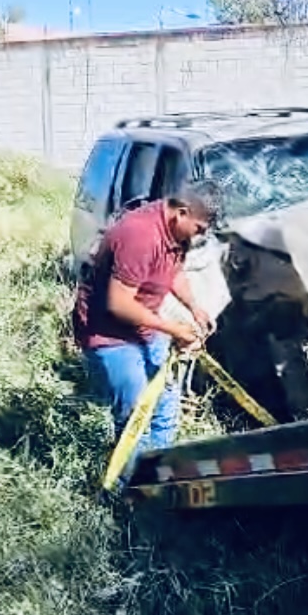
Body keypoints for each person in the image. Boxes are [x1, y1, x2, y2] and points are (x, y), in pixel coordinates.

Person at [72, 180, 223, 491]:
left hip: (145, 328)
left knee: (165, 408)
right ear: (181, 213)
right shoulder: (139, 235)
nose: (199, 236)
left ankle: (155, 478)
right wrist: (174, 329)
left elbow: (173, 272)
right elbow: (118, 304)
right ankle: (127, 494)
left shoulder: (176, 234)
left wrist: (194, 308)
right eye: (198, 228)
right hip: (110, 335)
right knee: (135, 419)